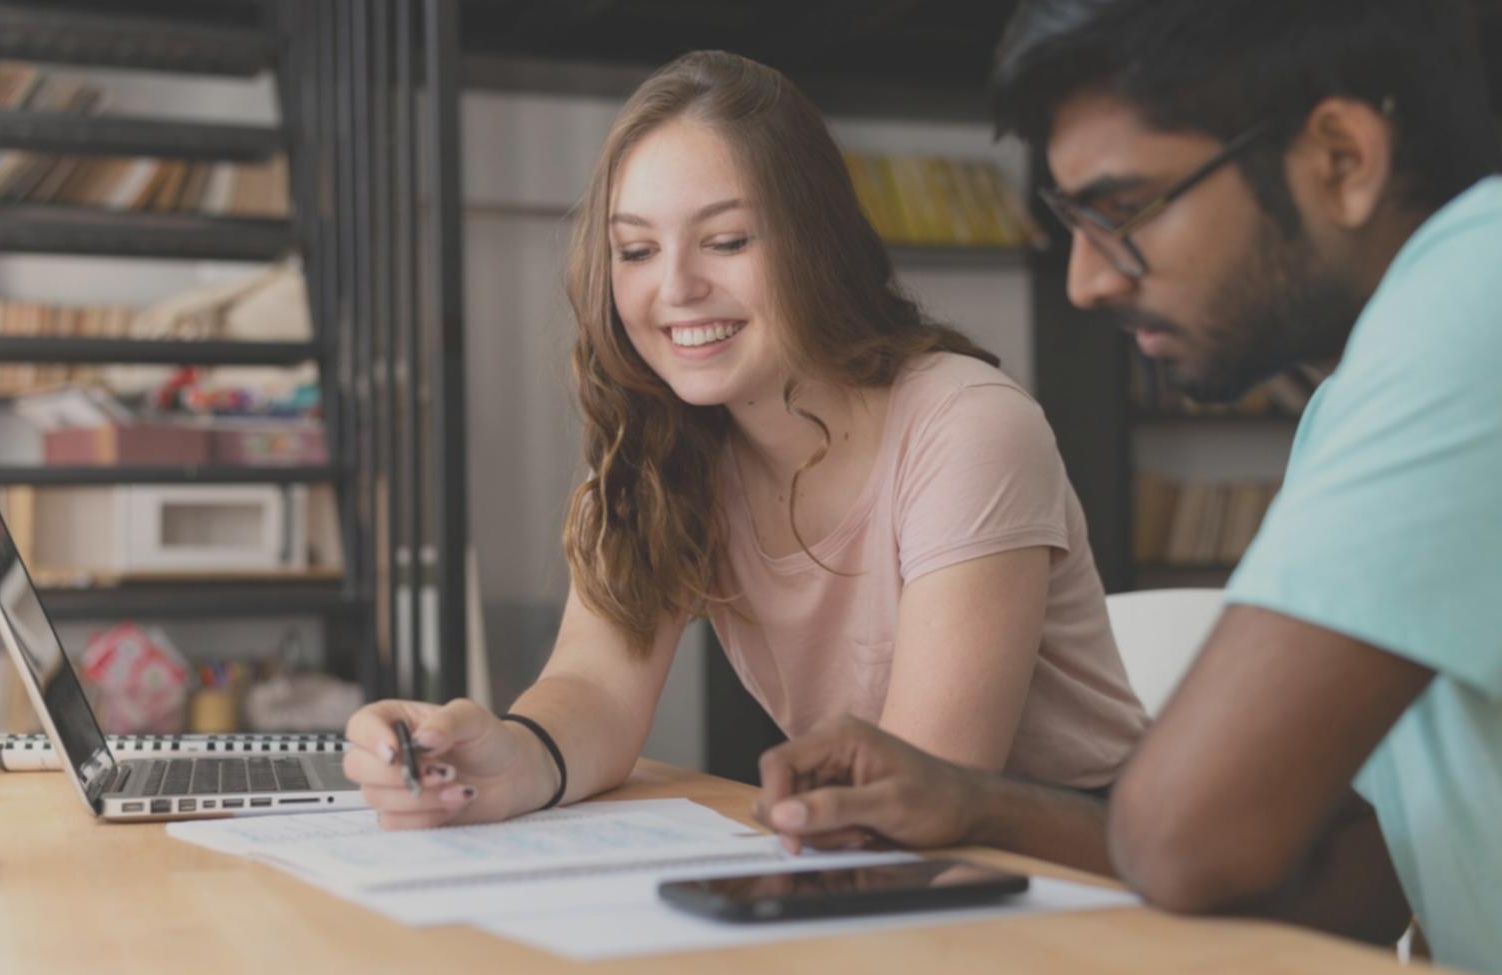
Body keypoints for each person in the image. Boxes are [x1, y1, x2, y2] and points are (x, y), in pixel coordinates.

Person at [751, 1, 1502, 970]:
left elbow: (1188, 838)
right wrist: (972, 802)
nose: (1086, 282)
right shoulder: (1357, 391)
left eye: (1124, 209)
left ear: (1341, 158)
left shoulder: (1476, 296)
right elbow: (1350, 876)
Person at [342, 51, 1146, 834]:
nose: (675, 288)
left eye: (726, 241)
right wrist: (500, 760)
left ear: (816, 242)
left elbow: (929, 783)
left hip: (1084, 869)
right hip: (885, 859)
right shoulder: (660, 440)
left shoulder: (966, 424)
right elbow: (597, 688)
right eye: (636, 250)